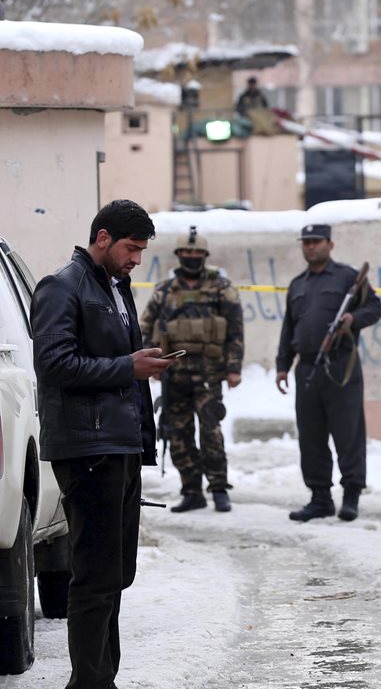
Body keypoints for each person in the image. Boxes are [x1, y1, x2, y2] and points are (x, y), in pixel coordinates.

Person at [31, 200, 176, 689]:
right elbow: (53, 365)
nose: (137, 259)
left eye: (141, 251)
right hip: (86, 448)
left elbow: (114, 361)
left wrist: (138, 364)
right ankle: (89, 682)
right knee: (94, 576)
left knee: (116, 573)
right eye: (132, 249)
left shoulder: (114, 288)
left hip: (119, 446)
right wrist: (126, 367)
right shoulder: (62, 286)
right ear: (103, 237)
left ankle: (101, 677)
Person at [275, 223, 381, 522]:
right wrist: (283, 365)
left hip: (341, 366)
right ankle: (319, 497)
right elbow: (289, 328)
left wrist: (353, 318)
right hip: (307, 368)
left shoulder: (348, 277)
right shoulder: (298, 284)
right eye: (306, 242)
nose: (311, 247)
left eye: (316, 241)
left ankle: (351, 495)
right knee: (310, 437)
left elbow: (375, 307)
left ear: (329, 244)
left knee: (348, 434)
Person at [140, 226, 244, 513]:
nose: (192, 257)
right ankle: (191, 490)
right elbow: (145, 327)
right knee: (178, 434)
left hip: (209, 374)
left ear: (205, 256)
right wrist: (152, 363)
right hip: (175, 375)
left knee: (211, 432)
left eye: (197, 253)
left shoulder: (221, 289)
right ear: (178, 255)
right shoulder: (164, 291)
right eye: (187, 252)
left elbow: (235, 329)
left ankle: (219, 488)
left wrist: (234, 367)